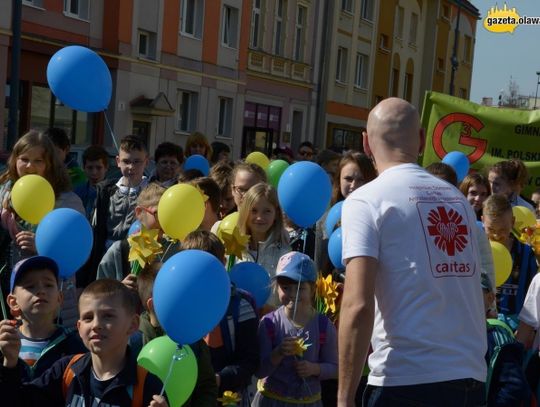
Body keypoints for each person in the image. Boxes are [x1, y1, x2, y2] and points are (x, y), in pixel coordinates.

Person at [338, 98, 486, 406]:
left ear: (366, 143)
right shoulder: (459, 202)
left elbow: (357, 305)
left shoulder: (366, 200)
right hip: (468, 378)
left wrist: (344, 397)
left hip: (404, 379)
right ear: (420, 139)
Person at [0, 279, 168, 406]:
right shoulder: (66, 370)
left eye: (108, 316)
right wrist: (10, 362)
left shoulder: (146, 385)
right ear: (79, 328)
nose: (96, 325)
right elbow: (19, 401)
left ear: (132, 325)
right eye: (88, 318)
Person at [0, 131, 84, 327]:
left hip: (51, 299)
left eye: (38, 160)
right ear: (15, 161)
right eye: (24, 159)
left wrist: (42, 247)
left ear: (50, 165)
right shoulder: (3, 195)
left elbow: (78, 252)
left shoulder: (67, 201)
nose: (30, 166)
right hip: (8, 296)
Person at [183, 231, 259, 405]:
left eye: (208, 266)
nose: (200, 273)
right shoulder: (181, 304)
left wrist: (219, 378)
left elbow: (250, 360)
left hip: (228, 396)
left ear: (223, 263)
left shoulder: (240, 306)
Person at [253, 251, 338, 406]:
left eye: (300, 288)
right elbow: (259, 370)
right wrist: (278, 353)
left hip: (309, 401)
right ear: (276, 288)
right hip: (271, 400)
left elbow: (336, 368)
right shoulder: (269, 323)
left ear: (312, 289)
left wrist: (315, 369)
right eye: (285, 288)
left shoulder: (323, 326)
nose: (293, 294)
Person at [131, 262, 218, 407]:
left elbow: (207, 387)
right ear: (152, 305)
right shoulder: (131, 340)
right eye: (175, 298)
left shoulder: (192, 340)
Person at [79, 135, 149, 288]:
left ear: (146, 162)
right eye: (126, 161)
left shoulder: (151, 192)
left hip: (135, 259)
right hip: (106, 257)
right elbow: (96, 230)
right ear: (118, 161)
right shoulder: (106, 190)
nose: (131, 167)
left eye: (137, 161)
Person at [0, 256, 85, 381]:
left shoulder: (74, 344)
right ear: (13, 302)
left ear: (59, 298)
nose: (41, 290)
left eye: (48, 285)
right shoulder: (4, 342)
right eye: (30, 286)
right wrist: (9, 362)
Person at [96, 182, 180, 285]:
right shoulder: (120, 251)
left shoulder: (179, 249)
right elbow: (101, 292)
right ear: (139, 212)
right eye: (158, 213)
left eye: (169, 214)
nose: (165, 221)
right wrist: (121, 289)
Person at [316, 151, 377, 277]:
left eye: (361, 179)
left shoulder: (379, 217)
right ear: (339, 180)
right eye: (348, 179)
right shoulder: (325, 218)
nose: (354, 185)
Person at [482, 194, 539, 327]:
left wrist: (527, 331)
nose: (496, 235)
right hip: (482, 326)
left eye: (503, 230)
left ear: (512, 222)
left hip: (518, 328)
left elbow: (534, 295)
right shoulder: (476, 252)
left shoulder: (527, 253)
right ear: (482, 220)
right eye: (490, 229)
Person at [237, 183, 290, 282]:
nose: (259, 217)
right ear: (245, 212)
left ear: (276, 214)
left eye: (267, 211)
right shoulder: (235, 250)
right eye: (254, 210)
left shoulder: (285, 254)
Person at [74, 145, 110, 220]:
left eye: (98, 168)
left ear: (106, 168)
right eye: (90, 168)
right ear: (83, 168)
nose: (94, 172)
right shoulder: (77, 194)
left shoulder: (114, 194)